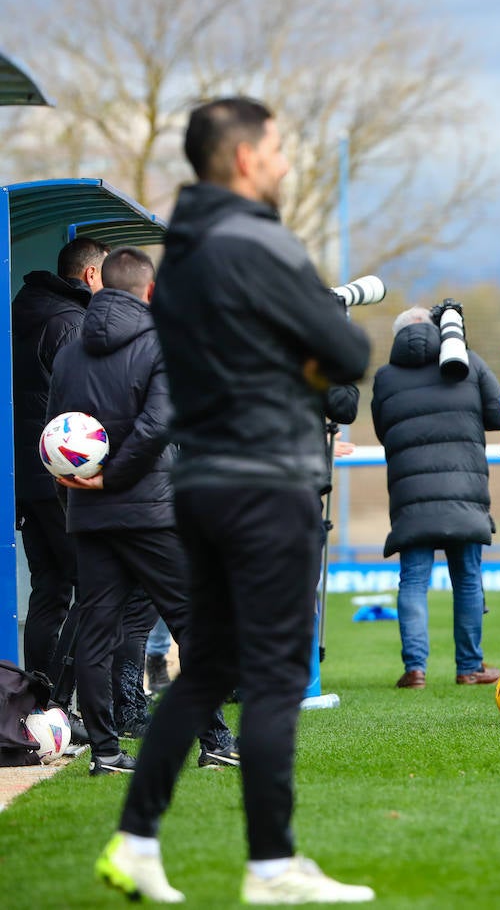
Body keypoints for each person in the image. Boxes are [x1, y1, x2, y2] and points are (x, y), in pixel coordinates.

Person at [93, 97, 373, 904]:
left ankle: (136, 841)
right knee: (278, 674)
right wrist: (306, 361)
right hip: (268, 481)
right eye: (280, 148)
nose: (286, 162)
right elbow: (348, 347)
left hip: (201, 483)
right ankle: (271, 867)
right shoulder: (259, 239)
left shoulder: (176, 255)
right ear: (246, 158)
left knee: (206, 668)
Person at [48, 246, 238, 774]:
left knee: (96, 630)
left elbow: (53, 437)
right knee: (189, 622)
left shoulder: (68, 352)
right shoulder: (161, 345)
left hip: (88, 514)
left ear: (99, 285)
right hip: (149, 511)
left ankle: (105, 753)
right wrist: (117, 477)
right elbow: (158, 427)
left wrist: (80, 488)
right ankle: (216, 741)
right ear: (148, 291)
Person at [372, 306, 500, 689]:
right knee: (467, 579)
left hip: (411, 494)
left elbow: (385, 431)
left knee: (413, 580)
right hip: (465, 490)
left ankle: (415, 669)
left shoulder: (385, 377)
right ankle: (469, 668)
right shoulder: (469, 363)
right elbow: (496, 415)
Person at [11, 237, 107, 679]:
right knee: (91, 589)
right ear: (90, 274)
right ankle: (68, 703)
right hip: (63, 476)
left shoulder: (21, 309)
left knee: (49, 590)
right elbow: (86, 406)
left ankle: (40, 699)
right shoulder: (72, 322)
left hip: (26, 476)